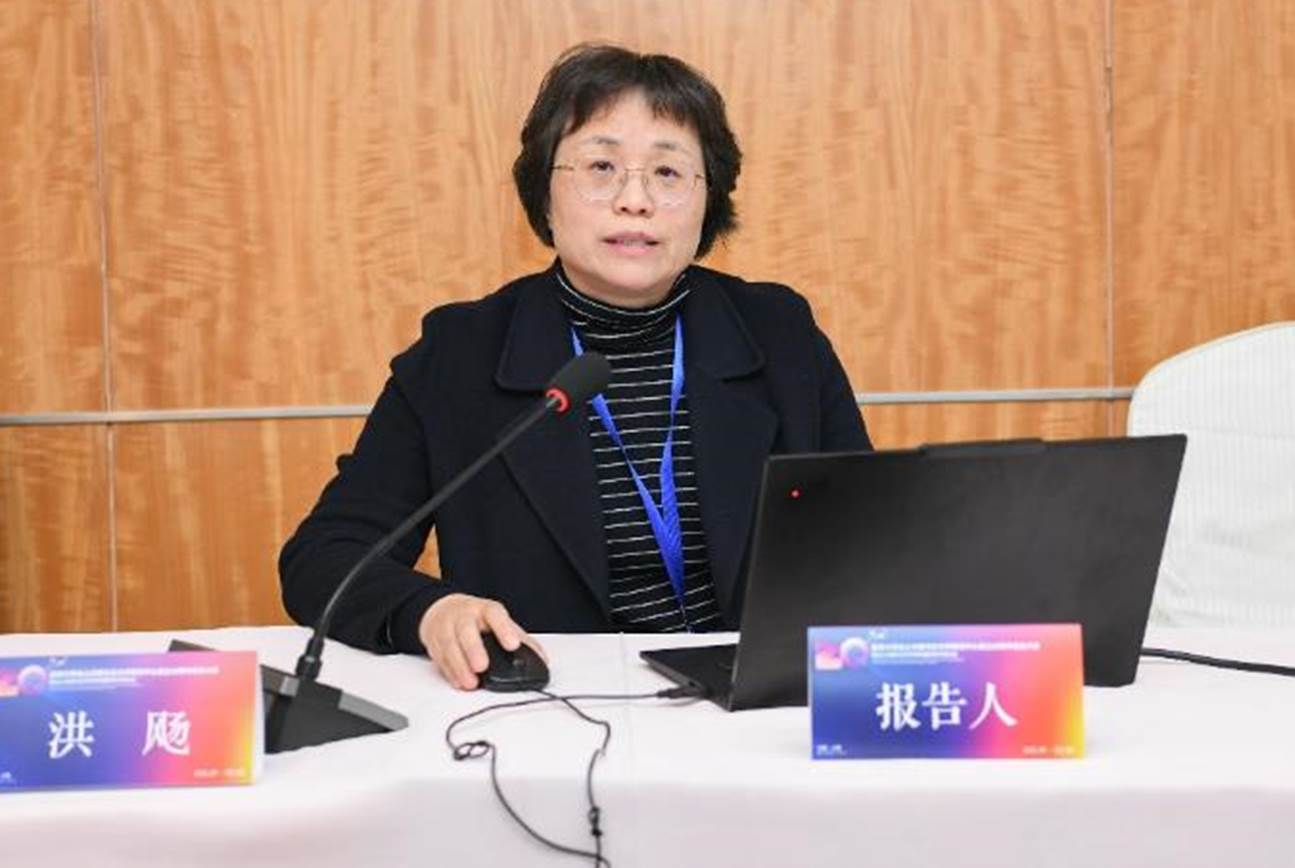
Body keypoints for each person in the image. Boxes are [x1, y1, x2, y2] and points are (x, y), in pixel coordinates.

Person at [278, 44, 871, 690]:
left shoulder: (779, 334)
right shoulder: (460, 354)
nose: (635, 200)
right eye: (601, 167)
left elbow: (871, 541)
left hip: (750, 703)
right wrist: (428, 611)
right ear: (544, 192)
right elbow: (325, 557)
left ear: (709, 199)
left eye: (668, 172)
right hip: (552, 708)